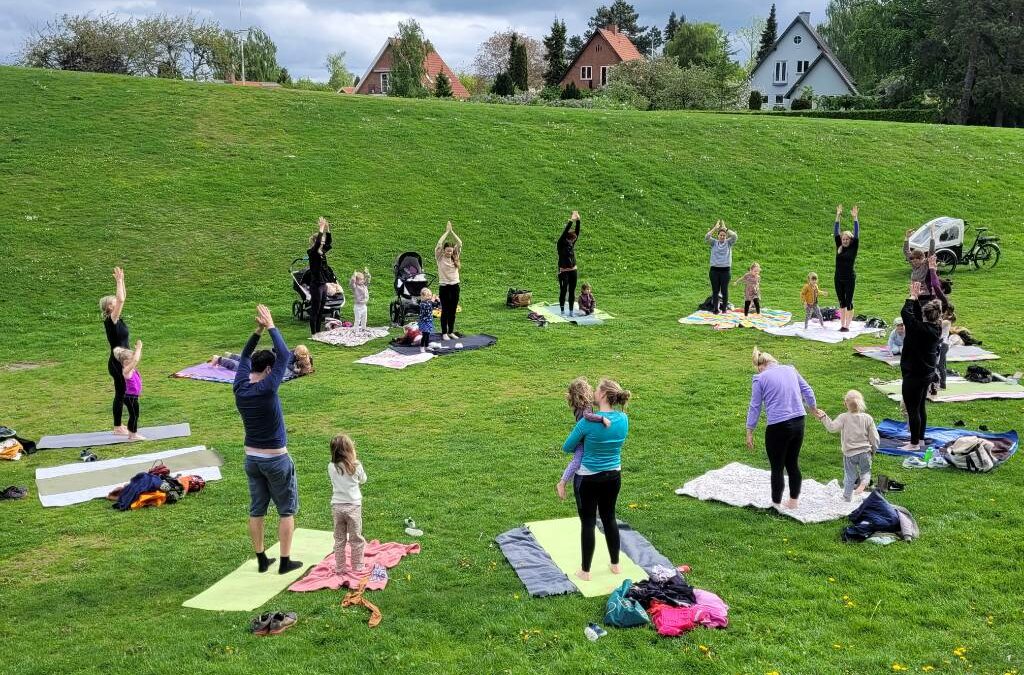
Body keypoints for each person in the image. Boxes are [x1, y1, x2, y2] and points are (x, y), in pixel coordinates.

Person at [233, 305, 303, 575]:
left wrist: (257, 331)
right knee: (286, 511)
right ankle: (284, 562)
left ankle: (262, 558)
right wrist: (271, 325)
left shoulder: (240, 387)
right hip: (276, 459)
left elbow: (243, 356)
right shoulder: (268, 388)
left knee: (257, 509)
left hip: (252, 459)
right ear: (270, 369)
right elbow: (286, 354)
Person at [561, 379, 631, 582]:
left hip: (588, 479)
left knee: (588, 523)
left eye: (597, 388)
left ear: (601, 395)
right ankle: (616, 565)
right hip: (613, 475)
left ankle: (585, 571)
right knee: (609, 518)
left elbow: (567, 447)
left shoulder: (586, 423)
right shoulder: (623, 419)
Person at [746, 347, 817, 510]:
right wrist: (813, 408)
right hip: (799, 421)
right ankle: (793, 502)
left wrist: (750, 430)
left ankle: (776, 504)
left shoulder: (760, 378)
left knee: (777, 467)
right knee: (792, 463)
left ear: (760, 365)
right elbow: (807, 390)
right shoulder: (790, 369)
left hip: (778, 426)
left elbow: (755, 406)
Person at [899, 283, 942, 451]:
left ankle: (914, 444)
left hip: (914, 375)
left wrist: (911, 296)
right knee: (920, 407)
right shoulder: (934, 328)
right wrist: (915, 300)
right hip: (926, 374)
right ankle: (920, 440)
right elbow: (914, 317)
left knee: (912, 410)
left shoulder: (919, 329)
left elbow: (906, 314)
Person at [814, 390, 879, 501]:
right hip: (865, 452)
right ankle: (863, 484)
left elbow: (832, 428)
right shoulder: (868, 418)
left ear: (845, 404)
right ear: (862, 402)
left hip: (850, 454)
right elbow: (874, 437)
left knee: (849, 476)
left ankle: (847, 497)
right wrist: (873, 449)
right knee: (866, 472)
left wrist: (824, 417)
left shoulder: (843, 417)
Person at [555, 377, 612, 501]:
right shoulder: (586, 406)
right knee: (577, 461)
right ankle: (562, 483)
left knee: (580, 460)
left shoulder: (578, 405)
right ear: (584, 392)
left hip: (582, 439)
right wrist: (602, 419)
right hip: (581, 441)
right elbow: (587, 416)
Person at [328, 434, 367, 576]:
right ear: (349, 450)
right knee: (356, 538)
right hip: (353, 507)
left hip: (337, 507)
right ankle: (358, 566)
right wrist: (355, 463)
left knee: (339, 539)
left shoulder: (331, 466)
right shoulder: (356, 466)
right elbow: (363, 480)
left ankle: (340, 568)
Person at [100, 267, 130, 435]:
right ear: (109, 308)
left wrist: (122, 280)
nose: (117, 303)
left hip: (122, 360)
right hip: (117, 363)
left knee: (122, 392)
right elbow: (121, 299)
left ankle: (119, 425)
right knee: (120, 393)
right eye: (113, 302)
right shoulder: (111, 320)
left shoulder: (117, 319)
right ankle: (118, 427)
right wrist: (118, 282)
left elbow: (122, 299)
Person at [112, 340, 145, 441]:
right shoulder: (126, 370)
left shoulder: (131, 369)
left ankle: (132, 434)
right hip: (130, 398)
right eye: (131, 359)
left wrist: (136, 350)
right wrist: (139, 348)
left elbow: (135, 358)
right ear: (126, 361)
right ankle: (132, 436)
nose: (134, 361)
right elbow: (135, 360)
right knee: (134, 416)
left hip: (132, 397)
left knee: (134, 415)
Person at [833, 204, 860, 332]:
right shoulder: (839, 245)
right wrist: (838, 215)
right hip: (838, 278)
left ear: (850, 240)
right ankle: (842, 324)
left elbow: (857, 233)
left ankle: (847, 326)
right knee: (841, 302)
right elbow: (835, 231)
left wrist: (855, 218)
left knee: (848, 302)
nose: (844, 240)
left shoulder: (853, 248)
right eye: (843, 239)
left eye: (846, 239)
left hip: (849, 278)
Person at [211, 345, 314, 378]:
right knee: (242, 366)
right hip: (266, 360)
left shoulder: (294, 355)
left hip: (266, 356)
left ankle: (229, 355)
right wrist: (295, 370)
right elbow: (287, 366)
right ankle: (219, 359)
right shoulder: (289, 360)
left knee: (248, 359)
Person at [435, 222, 462, 339]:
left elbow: (460, 243)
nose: (449, 253)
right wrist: (446, 232)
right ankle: (444, 333)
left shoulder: (455, 257)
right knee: (445, 310)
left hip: (455, 286)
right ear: (444, 250)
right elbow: (439, 243)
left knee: (453, 310)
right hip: (444, 287)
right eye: (447, 251)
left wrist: (452, 232)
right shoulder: (439, 257)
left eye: (451, 251)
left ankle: (451, 331)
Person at [307, 217, 334, 335]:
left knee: (321, 309)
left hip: (323, 284)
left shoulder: (322, 252)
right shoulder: (312, 252)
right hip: (316, 285)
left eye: (322, 242)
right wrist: (321, 228)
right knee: (315, 310)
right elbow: (318, 242)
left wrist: (327, 229)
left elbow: (328, 242)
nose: (322, 244)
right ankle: (314, 332)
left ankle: (319, 332)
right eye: (320, 242)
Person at [705, 220, 737, 314]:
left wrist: (725, 228)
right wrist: (715, 228)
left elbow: (735, 236)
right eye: (720, 235)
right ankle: (715, 309)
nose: (722, 237)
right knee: (715, 290)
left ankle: (724, 309)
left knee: (724, 290)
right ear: (718, 236)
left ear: (726, 236)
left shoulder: (728, 243)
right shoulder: (714, 243)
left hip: (725, 271)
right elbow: (707, 237)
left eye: (724, 235)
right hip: (714, 271)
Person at [557, 211, 581, 316]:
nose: (572, 240)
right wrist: (571, 220)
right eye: (570, 238)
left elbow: (577, 232)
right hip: (564, 271)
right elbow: (565, 231)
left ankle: (571, 311)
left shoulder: (571, 243)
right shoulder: (560, 243)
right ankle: (562, 310)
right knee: (563, 290)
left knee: (572, 290)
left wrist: (578, 220)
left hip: (573, 270)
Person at [418, 288, 440, 353]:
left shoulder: (429, 302)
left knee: (427, 334)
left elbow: (436, 305)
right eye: (427, 296)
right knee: (424, 334)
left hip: (429, 321)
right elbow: (428, 306)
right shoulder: (422, 303)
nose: (429, 297)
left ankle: (426, 346)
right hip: (424, 322)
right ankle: (422, 347)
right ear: (422, 296)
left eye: (430, 295)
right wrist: (433, 300)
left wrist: (438, 300)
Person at [350, 268, 372, 332]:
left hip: (364, 306)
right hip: (357, 306)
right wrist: (354, 275)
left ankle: (363, 328)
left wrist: (367, 273)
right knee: (357, 319)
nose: (362, 281)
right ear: (356, 281)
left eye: (363, 279)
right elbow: (352, 282)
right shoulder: (355, 287)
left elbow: (368, 279)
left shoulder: (364, 285)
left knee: (364, 318)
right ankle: (356, 330)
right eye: (360, 280)